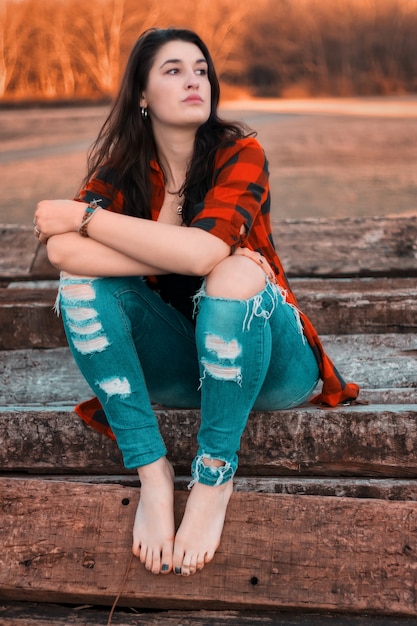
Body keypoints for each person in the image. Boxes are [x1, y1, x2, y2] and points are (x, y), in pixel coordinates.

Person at [33, 27, 359, 578]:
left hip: (271, 363)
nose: (194, 81)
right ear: (141, 95)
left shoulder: (240, 152)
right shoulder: (123, 168)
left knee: (232, 273)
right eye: (173, 70)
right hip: (184, 365)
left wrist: (92, 221)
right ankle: (152, 471)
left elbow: (206, 251)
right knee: (80, 288)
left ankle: (213, 478)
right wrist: (179, 255)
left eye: (201, 70)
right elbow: (63, 252)